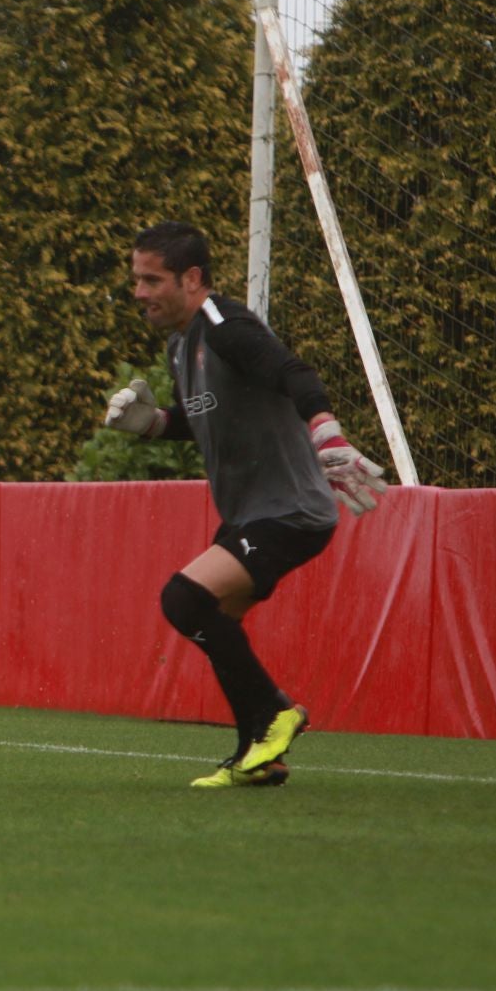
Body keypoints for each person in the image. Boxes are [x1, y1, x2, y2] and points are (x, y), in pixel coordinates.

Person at [104, 221, 388, 787]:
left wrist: (327, 434)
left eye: (151, 279)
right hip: (254, 514)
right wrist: (155, 425)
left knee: (183, 599)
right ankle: (259, 755)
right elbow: (207, 417)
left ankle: (277, 714)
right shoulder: (181, 342)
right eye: (136, 278)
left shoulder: (225, 326)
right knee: (214, 619)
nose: (138, 292)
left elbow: (294, 373)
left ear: (191, 278)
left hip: (292, 512)